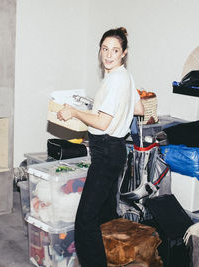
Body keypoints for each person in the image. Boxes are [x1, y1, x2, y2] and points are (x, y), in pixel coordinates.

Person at [57, 27, 144, 267]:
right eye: (105, 49)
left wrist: (75, 111)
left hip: (105, 152)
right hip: (116, 151)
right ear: (100, 50)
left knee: (85, 220)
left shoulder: (115, 81)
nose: (108, 55)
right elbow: (139, 109)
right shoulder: (125, 76)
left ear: (123, 53)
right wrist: (102, 106)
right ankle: (115, 257)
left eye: (115, 50)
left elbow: (103, 122)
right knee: (106, 214)